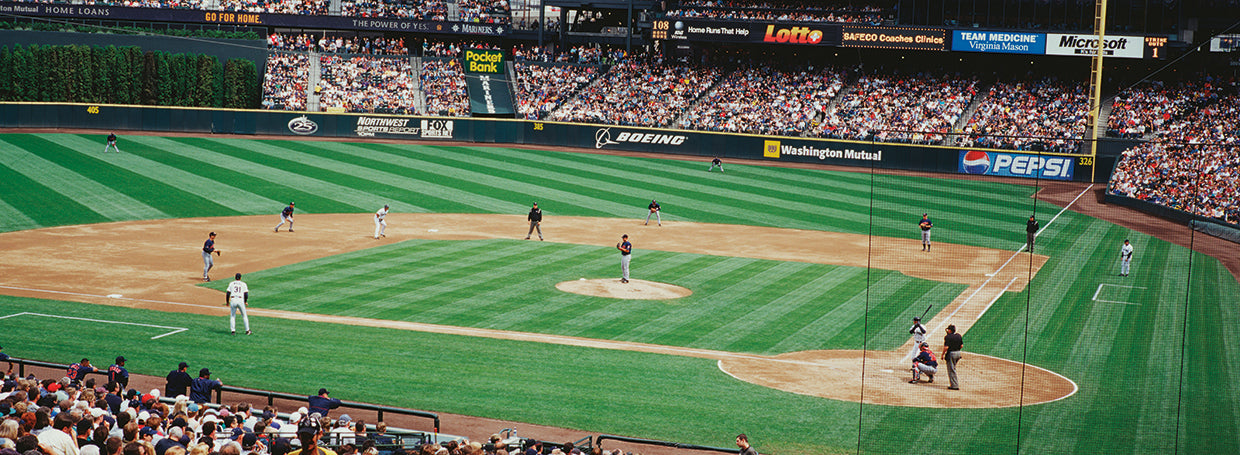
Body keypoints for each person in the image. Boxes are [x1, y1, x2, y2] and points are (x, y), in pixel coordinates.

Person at [942, 324, 963, 390]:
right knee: (953, 368)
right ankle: (954, 384)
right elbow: (961, 345)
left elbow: (946, 347)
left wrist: (942, 354)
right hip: (958, 353)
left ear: (950, 330)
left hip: (951, 354)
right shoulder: (958, 336)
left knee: (951, 370)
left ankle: (954, 385)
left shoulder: (947, 337)